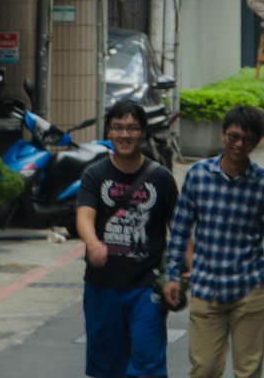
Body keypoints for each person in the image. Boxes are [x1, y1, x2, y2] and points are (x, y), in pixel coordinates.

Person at [163, 105, 264, 378]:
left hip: (250, 288)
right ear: (223, 134)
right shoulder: (198, 175)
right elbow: (180, 229)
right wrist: (171, 274)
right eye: (234, 136)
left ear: (256, 142)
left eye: (247, 139)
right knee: (205, 368)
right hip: (206, 287)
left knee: (249, 371)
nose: (239, 144)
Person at [77, 99, 180, 378]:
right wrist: (93, 242)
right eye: (118, 127)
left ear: (143, 132)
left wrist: (184, 272)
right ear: (108, 132)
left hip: (146, 287)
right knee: (107, 367)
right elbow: (84, 216)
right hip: (102, 286)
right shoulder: (95, 174)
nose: (125, 135)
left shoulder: (161, 178)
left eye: (133, 128)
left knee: (148, 363)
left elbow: (180, 231)